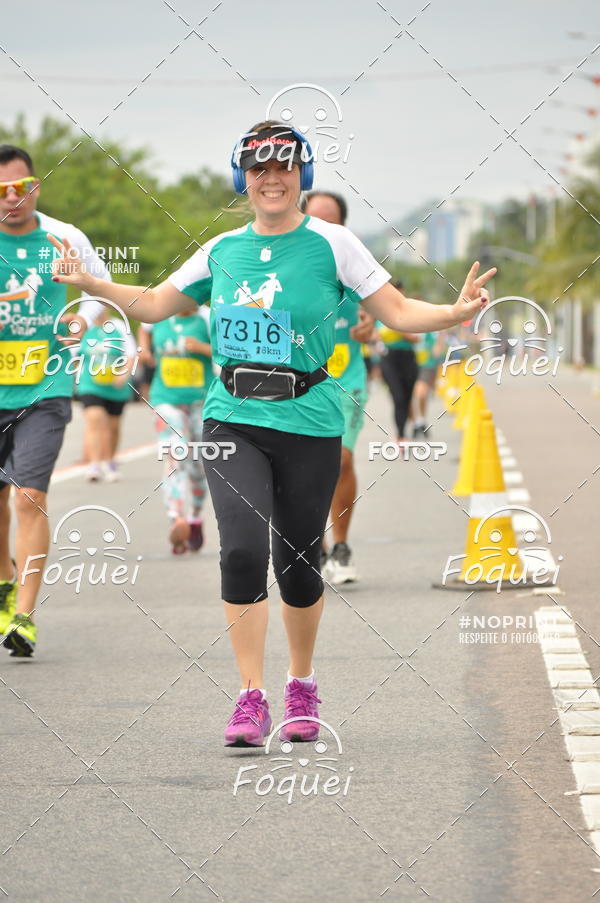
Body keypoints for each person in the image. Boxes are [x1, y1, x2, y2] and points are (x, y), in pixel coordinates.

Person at [49, 121, 494, 746]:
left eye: (284, 166)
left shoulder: (334, 244)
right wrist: (92, 284)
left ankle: (301, 683)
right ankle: (250, 696)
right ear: (244, 179)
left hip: (309, 419)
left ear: (301, 175)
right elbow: (153, 303)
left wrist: (455, 311)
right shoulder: (220, 250)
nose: (271, 178)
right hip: (232, 418)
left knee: (298, 563)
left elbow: (395, 311)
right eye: (258, 168)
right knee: (240, 551)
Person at [0, 145, 109, 656]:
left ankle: (24, 615)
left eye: (21, 187)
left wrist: (81, 320)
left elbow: (101, 288)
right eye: (2, 190)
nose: (12, 198)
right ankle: (5, 586)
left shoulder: (64, 238)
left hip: (45, 386)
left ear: (36, 186)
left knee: (29, 496)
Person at [302, 191, 373, 584]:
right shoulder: (290, 266)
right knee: (303, 468)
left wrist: (370, 326)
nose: (324, 231)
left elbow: (382, 309)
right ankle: (317, 545)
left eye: (332, 224)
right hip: (300, 383)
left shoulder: (355, 266)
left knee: (341, 460)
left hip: (346, 382)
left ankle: (341, 545)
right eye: (316, 223)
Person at [138, 306, 213, 554]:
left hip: (201, 401)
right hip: (165, 399)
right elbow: (143, 328)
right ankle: (176, 517)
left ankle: (195, 517)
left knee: (199, 466)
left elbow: (227, 353)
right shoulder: (159, 312)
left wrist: (202, 348)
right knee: (174, 454)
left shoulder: (207, 318)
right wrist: (144, 349)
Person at [75, 306, 137, 481]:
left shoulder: (119, 326)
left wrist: (124, 374)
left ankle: (110, 460)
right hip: (90, 385)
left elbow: (131, 354)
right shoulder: (83, 326)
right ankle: (94, 465)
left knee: (113, 426)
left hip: (115, 386)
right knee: (95, 420)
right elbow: (73, 354)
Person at [377, 283, 420, 442]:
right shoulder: (380, 313)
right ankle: (400, 435)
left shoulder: (411, 313)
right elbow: (375, 335)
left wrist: (398, 328)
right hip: (390, 359)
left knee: (407, 398)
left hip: (408, 358)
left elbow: (416, 338)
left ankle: (405, 429)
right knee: (398, 397)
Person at [411, 331, 445, 438]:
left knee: (421, 393)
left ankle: (422, 419)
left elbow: (438, 344)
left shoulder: (430, 330)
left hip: (426, 364)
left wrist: (438, 346)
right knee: (409, 396)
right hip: (409, 362)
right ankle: (416, 423)